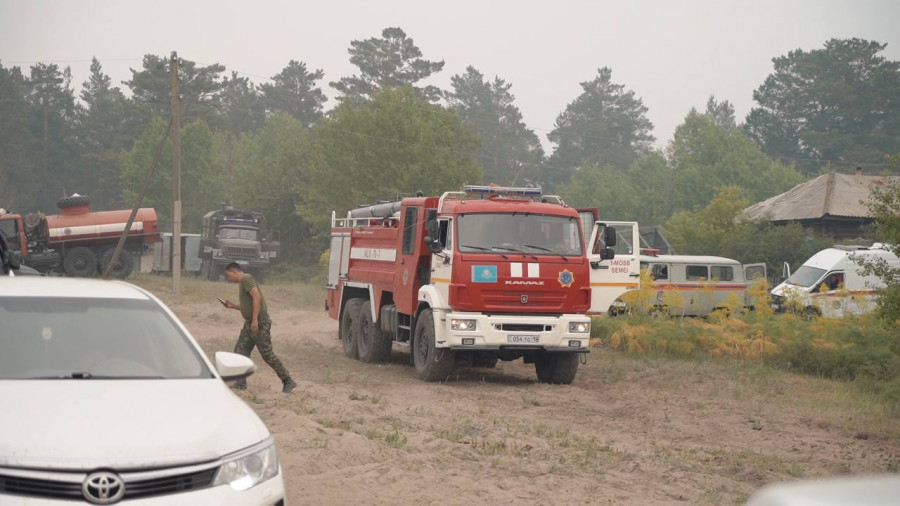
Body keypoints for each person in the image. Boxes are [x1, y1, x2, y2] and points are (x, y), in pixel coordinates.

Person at [222, 262, 297, 393]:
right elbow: (248, 306)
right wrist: (233, 306)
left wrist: (255, 321)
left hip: (259, 323)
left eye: (229, 276)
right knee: (240, 351)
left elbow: (257, 298)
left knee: (267, 354)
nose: (229, 279)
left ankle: (288, 380)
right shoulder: (243, 282)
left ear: (234, 272)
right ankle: (240, 382)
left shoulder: (246, 279)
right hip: (250, 323)